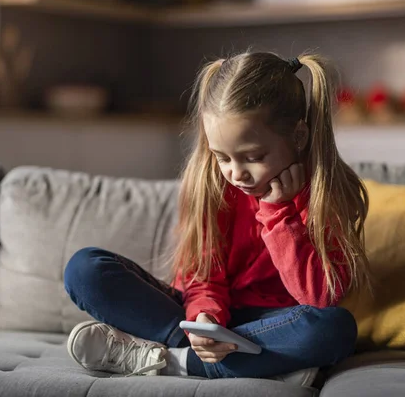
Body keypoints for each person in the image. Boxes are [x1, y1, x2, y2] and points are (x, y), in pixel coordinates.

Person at [63, 51, 370, 385]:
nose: (237, 174)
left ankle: (172, 362)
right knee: (85, 268)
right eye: (222, 157)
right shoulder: (211, 183)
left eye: (253, 157)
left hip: (277, 324)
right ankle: (240, 360)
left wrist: (279, 212)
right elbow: (204, 276)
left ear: (298, 136)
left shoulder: (325, 190)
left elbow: (319, 297)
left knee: (335, 328)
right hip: (209, 315)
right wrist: (204, 318)